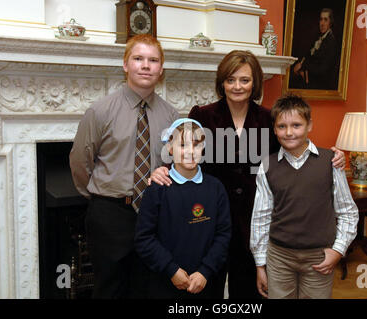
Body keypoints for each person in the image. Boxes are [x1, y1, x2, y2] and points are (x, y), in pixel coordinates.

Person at [149, 50, 346, 299]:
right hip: (209, 217)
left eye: (244, 80)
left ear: (255, 83)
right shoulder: (203, 115)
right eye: (230, 79)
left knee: (251, 293)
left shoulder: (267, 118)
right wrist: (161, 170)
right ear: (222, 82)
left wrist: (331, 155)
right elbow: (185, 149)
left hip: (255, 221)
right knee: (204, 289)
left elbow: (292, 145)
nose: (237, 86)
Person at [69, 34, 179, 298]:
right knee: (110, 290)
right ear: (125, 64)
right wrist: (99, 197)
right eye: (138, 58)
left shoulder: (171, 116)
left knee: (149, 288)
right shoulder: (101, 111)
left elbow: (175, 164)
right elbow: (80, 162)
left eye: (153, 60)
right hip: (111, 214)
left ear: (161, 69)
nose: (145, 65)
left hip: (155, 213)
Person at [250, 94, 359, 299]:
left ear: (309, 125)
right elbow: (260, 217)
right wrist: (260, 263)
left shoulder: (330, 162)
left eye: (296, 125)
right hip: (279, 257)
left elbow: (348, 212)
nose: (289, 132)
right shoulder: (266, 166)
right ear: (274, 129)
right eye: (282, 126)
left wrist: (338, 250)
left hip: (319, 257)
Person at [134, 118, 231, 299]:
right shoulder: (157, 189)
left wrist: (205, 271)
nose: (190, 152)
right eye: (183, 145)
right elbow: (144, 238)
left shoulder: (216, 188)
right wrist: (172, 270)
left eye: (196, 145)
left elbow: (223, 235)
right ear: (170, 149)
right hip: (165, 283)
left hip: (206, 283)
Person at [292, 8, 338, 90]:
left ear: (330, 22)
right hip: (310, 80)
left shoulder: (331, 42)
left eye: (325, 20)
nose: (322, 23)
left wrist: (303, 68)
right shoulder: (318, 38)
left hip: (320, 84)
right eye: (321, 20)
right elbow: (309, 56)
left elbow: (324, 69)